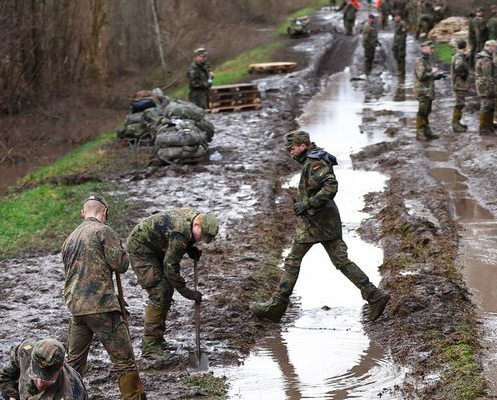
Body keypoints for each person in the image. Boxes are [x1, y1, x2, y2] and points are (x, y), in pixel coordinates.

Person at [251, 131, 390, 322]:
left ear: (303, 145)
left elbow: (331, 186)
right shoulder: (312, 159)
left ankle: (277, 306)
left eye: (293, 148)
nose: (291, 153)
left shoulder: (315, 162)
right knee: (341, 261)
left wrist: (307, 204)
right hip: (326, 222)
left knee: (292, 262)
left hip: (316, 223)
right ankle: (374, 295)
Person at [61, 193, 153, 400]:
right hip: (102, 307)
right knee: (124, 362)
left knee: (73, 366)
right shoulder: (104, 231)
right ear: (104, 212)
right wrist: (120, 250)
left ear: (84, 213)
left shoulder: (69, 239)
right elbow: (120, 265)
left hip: (76, 309)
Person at [126, 209, 218, 358]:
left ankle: (158, 340)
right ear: (197, 224)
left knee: (167, 289)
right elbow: (171, 268)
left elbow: (175, 237)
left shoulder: (192, 221)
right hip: (141, 250)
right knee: (160, 292)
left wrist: (189, 248)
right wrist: (188, 293)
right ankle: (150, 346)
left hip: (156, 247)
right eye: (202, 236)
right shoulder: (180, 234)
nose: (201, 240)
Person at [414, 40, 440, 140]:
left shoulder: (426, 59)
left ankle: (427, 131)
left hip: (427, 90)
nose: (432, 50)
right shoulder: (420, 60)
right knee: (422, 112)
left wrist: (437, 76)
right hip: (422, 90)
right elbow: (421, 76)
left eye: (432, 48)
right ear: (424, 48)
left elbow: (426, 75)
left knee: (427, 111)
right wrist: (432, 72)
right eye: (430, 48)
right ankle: (420, 133)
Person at [475, 40, 497, 135]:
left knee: (489, 106)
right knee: (486, 106)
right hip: (485, 86)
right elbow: (487, 76)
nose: (495, 49)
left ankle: (488, 126)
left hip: (484, 85)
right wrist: (492, 89)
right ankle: (484, 128)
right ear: (490, 47)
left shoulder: (485, 58)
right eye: (494, 47)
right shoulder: (485, 60)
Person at [450, 39, 471, 133]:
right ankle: (455, 124)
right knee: (459, 104)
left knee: (460, 104)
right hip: (459, 83)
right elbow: (458, 67)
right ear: (465, 47)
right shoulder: (459, 56)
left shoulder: (458, 55)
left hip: (458, 83)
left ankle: (457, 123)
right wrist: (463, 74)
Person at [392, 16, 408, 80]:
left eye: (396, 17)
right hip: (396, 44)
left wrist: (401, 45)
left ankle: (401, 72)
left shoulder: (402, 24)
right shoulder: (397, 24)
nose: (394, 19)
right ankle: (399, 70)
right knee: (397, 57)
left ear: (399, 17)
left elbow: (403, 35)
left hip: (400, 44)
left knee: (401, 57)